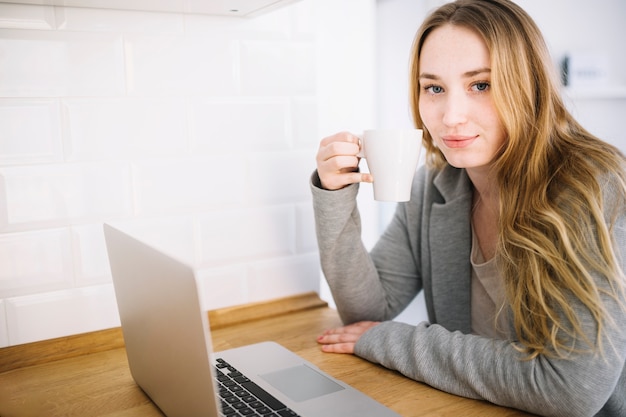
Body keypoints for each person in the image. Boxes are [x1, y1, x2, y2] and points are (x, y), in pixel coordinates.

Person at [310, 0, 626, 416]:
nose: (450, 117)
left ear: (527, 84)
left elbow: (572, 389)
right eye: (434, 88)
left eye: (481, 85)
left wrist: (395, 341)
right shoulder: (434, 185)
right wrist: (334, 195)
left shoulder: (591, 186)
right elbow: (367, 312)